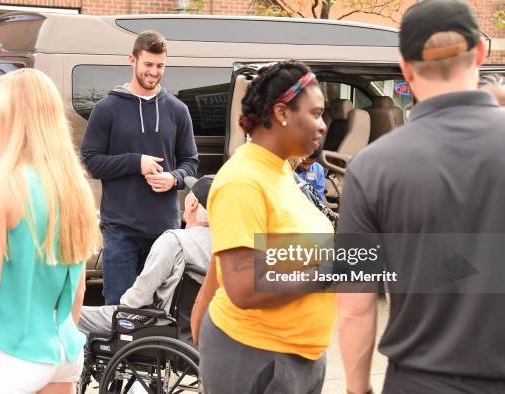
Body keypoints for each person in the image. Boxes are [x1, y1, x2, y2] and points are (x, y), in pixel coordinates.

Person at [337, 1, 505, 393]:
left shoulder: (371, 168)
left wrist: (357, 389)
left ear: (405, 66)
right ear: (480, 52)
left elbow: (355, 306)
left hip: (420, 381)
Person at [199, 61, 335, 394]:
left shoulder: (280, 171)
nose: (322, 126)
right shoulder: (243, 180)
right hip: (256, 356)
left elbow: (224, 266)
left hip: (298, 356)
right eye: (316, 113)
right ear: (282, 113)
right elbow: (242, 286)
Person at [0, 69, 99, 394]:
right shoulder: (73, 186)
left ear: (14, 119)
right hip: (61, 349)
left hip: (6, 352)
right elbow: (77, 291)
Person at [81, 30, 198, 306]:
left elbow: (191, 163)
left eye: (160, 66)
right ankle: (117, 352)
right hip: (121, 230)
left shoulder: (177, 110)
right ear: (132, 60)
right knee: (118, 307)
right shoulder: (107, 109)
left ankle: (152, 352)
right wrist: (136, 162)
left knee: (161, 309)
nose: (154, 72)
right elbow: (90, 161)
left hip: (164, 232)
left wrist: (174, 178)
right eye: (148, 64)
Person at [77, 175, 213, 338]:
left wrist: (126, 302)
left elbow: (136, 300)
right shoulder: (228, 246)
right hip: (198, 332)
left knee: (70, 315)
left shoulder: (175, 241)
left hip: (156, 325)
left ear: (193, 204)